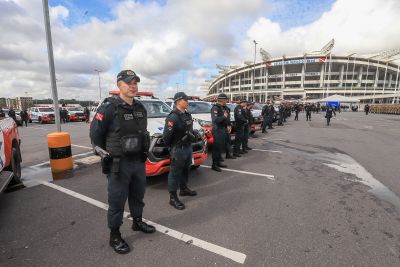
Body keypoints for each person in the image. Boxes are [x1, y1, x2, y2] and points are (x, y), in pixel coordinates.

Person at [90, 70, 155, 254]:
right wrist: (105, 154)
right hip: (118, 164)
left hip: (138, 162)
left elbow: (142, 133)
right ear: (119, 85)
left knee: (137, 195)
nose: (133, 86)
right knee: (117, 201)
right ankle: (115, 235)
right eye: (129, 83)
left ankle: (137, 221)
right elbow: (95, 136)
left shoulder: (140, 108)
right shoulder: (109, 108)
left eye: (135, 83)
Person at [163, 92, 198, 209]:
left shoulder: (187, 115)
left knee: (186, 170)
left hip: (188, 148)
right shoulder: (173, 116)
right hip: (178, 149)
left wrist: (194, 134)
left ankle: (183, 189)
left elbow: (190, 129)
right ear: (178, 101)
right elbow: (166, 138)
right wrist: (173, 147)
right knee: (174, 173)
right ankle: (172, 197)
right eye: (186, 100)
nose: (188, 102)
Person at [208, 93, 230, 172]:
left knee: (220, 147)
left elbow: (226, 118)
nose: (227, 101)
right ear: (222, 100)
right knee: (216, 148)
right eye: (226, 99)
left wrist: (228, 125)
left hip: (223, 129)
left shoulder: (223, 107)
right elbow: (215, 120)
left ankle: (218, 162)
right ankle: (214, 165)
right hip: (217, 130)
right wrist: (223, 117)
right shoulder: (215, 108)